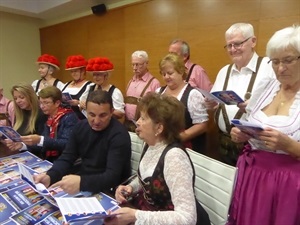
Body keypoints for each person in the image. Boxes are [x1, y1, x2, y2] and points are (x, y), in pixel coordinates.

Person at [228, 25, 300, 225]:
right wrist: (241, 133)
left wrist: (291, 146)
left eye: (288, 60)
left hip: (289, 183)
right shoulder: (267, 86)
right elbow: (250, 121)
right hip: (253, 175)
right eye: (275, 62)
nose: (280, 68)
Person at [105, 92, 210, 225]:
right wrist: (131, 187)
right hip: (150, 212)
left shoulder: (174, 157)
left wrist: (136, 216)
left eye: (143, 119)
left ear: (159, 128)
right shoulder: (150, 144)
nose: (137, 122)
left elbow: (187, 218)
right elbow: (151, 178)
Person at [34, 90, 131, 195]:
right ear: (86, 111)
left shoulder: (119, 135)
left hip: (111, 189)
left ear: (112, 112)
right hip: (85, 180)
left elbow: (112, 177)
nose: (96, 121)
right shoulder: (81, 127)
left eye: (102, 115)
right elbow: (67, 157)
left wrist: (81, 182)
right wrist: (51, 175)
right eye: (92, 115)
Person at [204, 23, 275, 166]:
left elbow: (278, 107)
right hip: (223, 143)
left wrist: (253, 108)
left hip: (254, 146)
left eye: (237, 44)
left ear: (253, 41)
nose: (233, 49)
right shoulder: (224, 71)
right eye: (229, 46)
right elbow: (215, 104)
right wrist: (210, 104)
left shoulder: (269, 67)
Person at [157, 53, 208, 154]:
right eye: (163, 74)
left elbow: (202, 125)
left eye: (170, 73)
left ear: (180, 72)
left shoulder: (193, 94)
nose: (166, 77)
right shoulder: (158, 92)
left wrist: (180, 137)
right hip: (161, 146)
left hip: (186, 148)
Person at [20, 86, 78, 162]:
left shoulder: (69, 117)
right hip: (50, 160)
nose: (42, 106)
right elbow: (43, 145)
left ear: (57, 103)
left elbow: (66, 144)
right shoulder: (49, 118)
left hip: (66, 161)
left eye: (46, 103)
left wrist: (40, 139)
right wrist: (22, 146)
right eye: (40, 103)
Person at [2, 84, 47, 156]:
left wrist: (22, 145)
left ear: (30, 96)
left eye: (21, 97)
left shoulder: (41, 115)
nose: (18, 101)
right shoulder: (20, 114)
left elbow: (44, 144)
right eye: (15, 98)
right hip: (20, 155)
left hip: (37, 156)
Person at [124, 50, 160, 132]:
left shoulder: (154, 83)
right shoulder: (131, 82)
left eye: (138, 65)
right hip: (127, 125)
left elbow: (156, 110)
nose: (134, 68)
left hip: (144, 127)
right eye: (133, 64)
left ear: (146, 63)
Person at [61, 55, 92, 120]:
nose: (73, 74)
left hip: (79, 119)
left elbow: (90, 106)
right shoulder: (66, 84)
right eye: (71, 71)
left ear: (83, 71)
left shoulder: (89, 86)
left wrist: (78, 103)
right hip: (64, 118)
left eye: (75, 71)